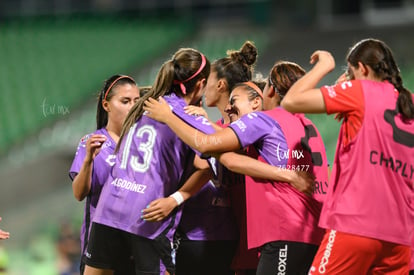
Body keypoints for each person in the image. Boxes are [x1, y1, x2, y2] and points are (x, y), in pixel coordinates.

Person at [144, 79, 327, 274]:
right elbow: (215, 151)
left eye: (235, 100)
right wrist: (204, 124)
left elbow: (213, 150)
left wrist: (169, 117)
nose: (229, 107)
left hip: (281, 231)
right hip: (278, 235)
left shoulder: (261, 122)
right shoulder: (298, 124)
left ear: (260, 100)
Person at [281, 38, 414, 274]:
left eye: (352, 73)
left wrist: (323, 66)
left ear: (362, 68)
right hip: (401, 235)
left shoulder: (360, 91)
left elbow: (291, 101)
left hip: (357, 224)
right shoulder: (409, 103)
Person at [83, 48, 218, 275]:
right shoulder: (190, 116)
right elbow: (206, 164)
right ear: (201, 84)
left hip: (109, 209)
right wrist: (176, 199)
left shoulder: (143, 104)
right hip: (148, 214)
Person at [69, 74, 140, 274]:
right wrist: (89, 159)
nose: (132, 106)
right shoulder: (92, 142)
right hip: (100, 246)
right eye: (125, 101)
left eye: (136, 101)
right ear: (107, 105)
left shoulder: (145, 143)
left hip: (136, 242)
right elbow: (79, 193)